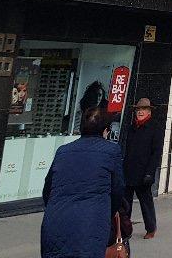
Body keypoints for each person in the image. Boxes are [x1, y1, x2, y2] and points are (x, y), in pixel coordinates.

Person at [40, 106, 124, 258]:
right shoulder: (112, 151)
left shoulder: (63, 151)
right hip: (91, 222)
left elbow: (48, 190)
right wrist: (106, 213)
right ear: (105, 130)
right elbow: (117, 191)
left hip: (56, 220)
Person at [120, 97, 164, 240]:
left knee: (146, 202)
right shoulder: (132, 127)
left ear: (149, 112)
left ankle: (151, 228)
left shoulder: (154, 127)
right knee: (125, 203)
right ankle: (124, 229)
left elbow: (156, 152)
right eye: (138, 110)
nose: (140, 112)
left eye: (143, 109)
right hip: (129, 169)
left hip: (144, 171)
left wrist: (150, 172)